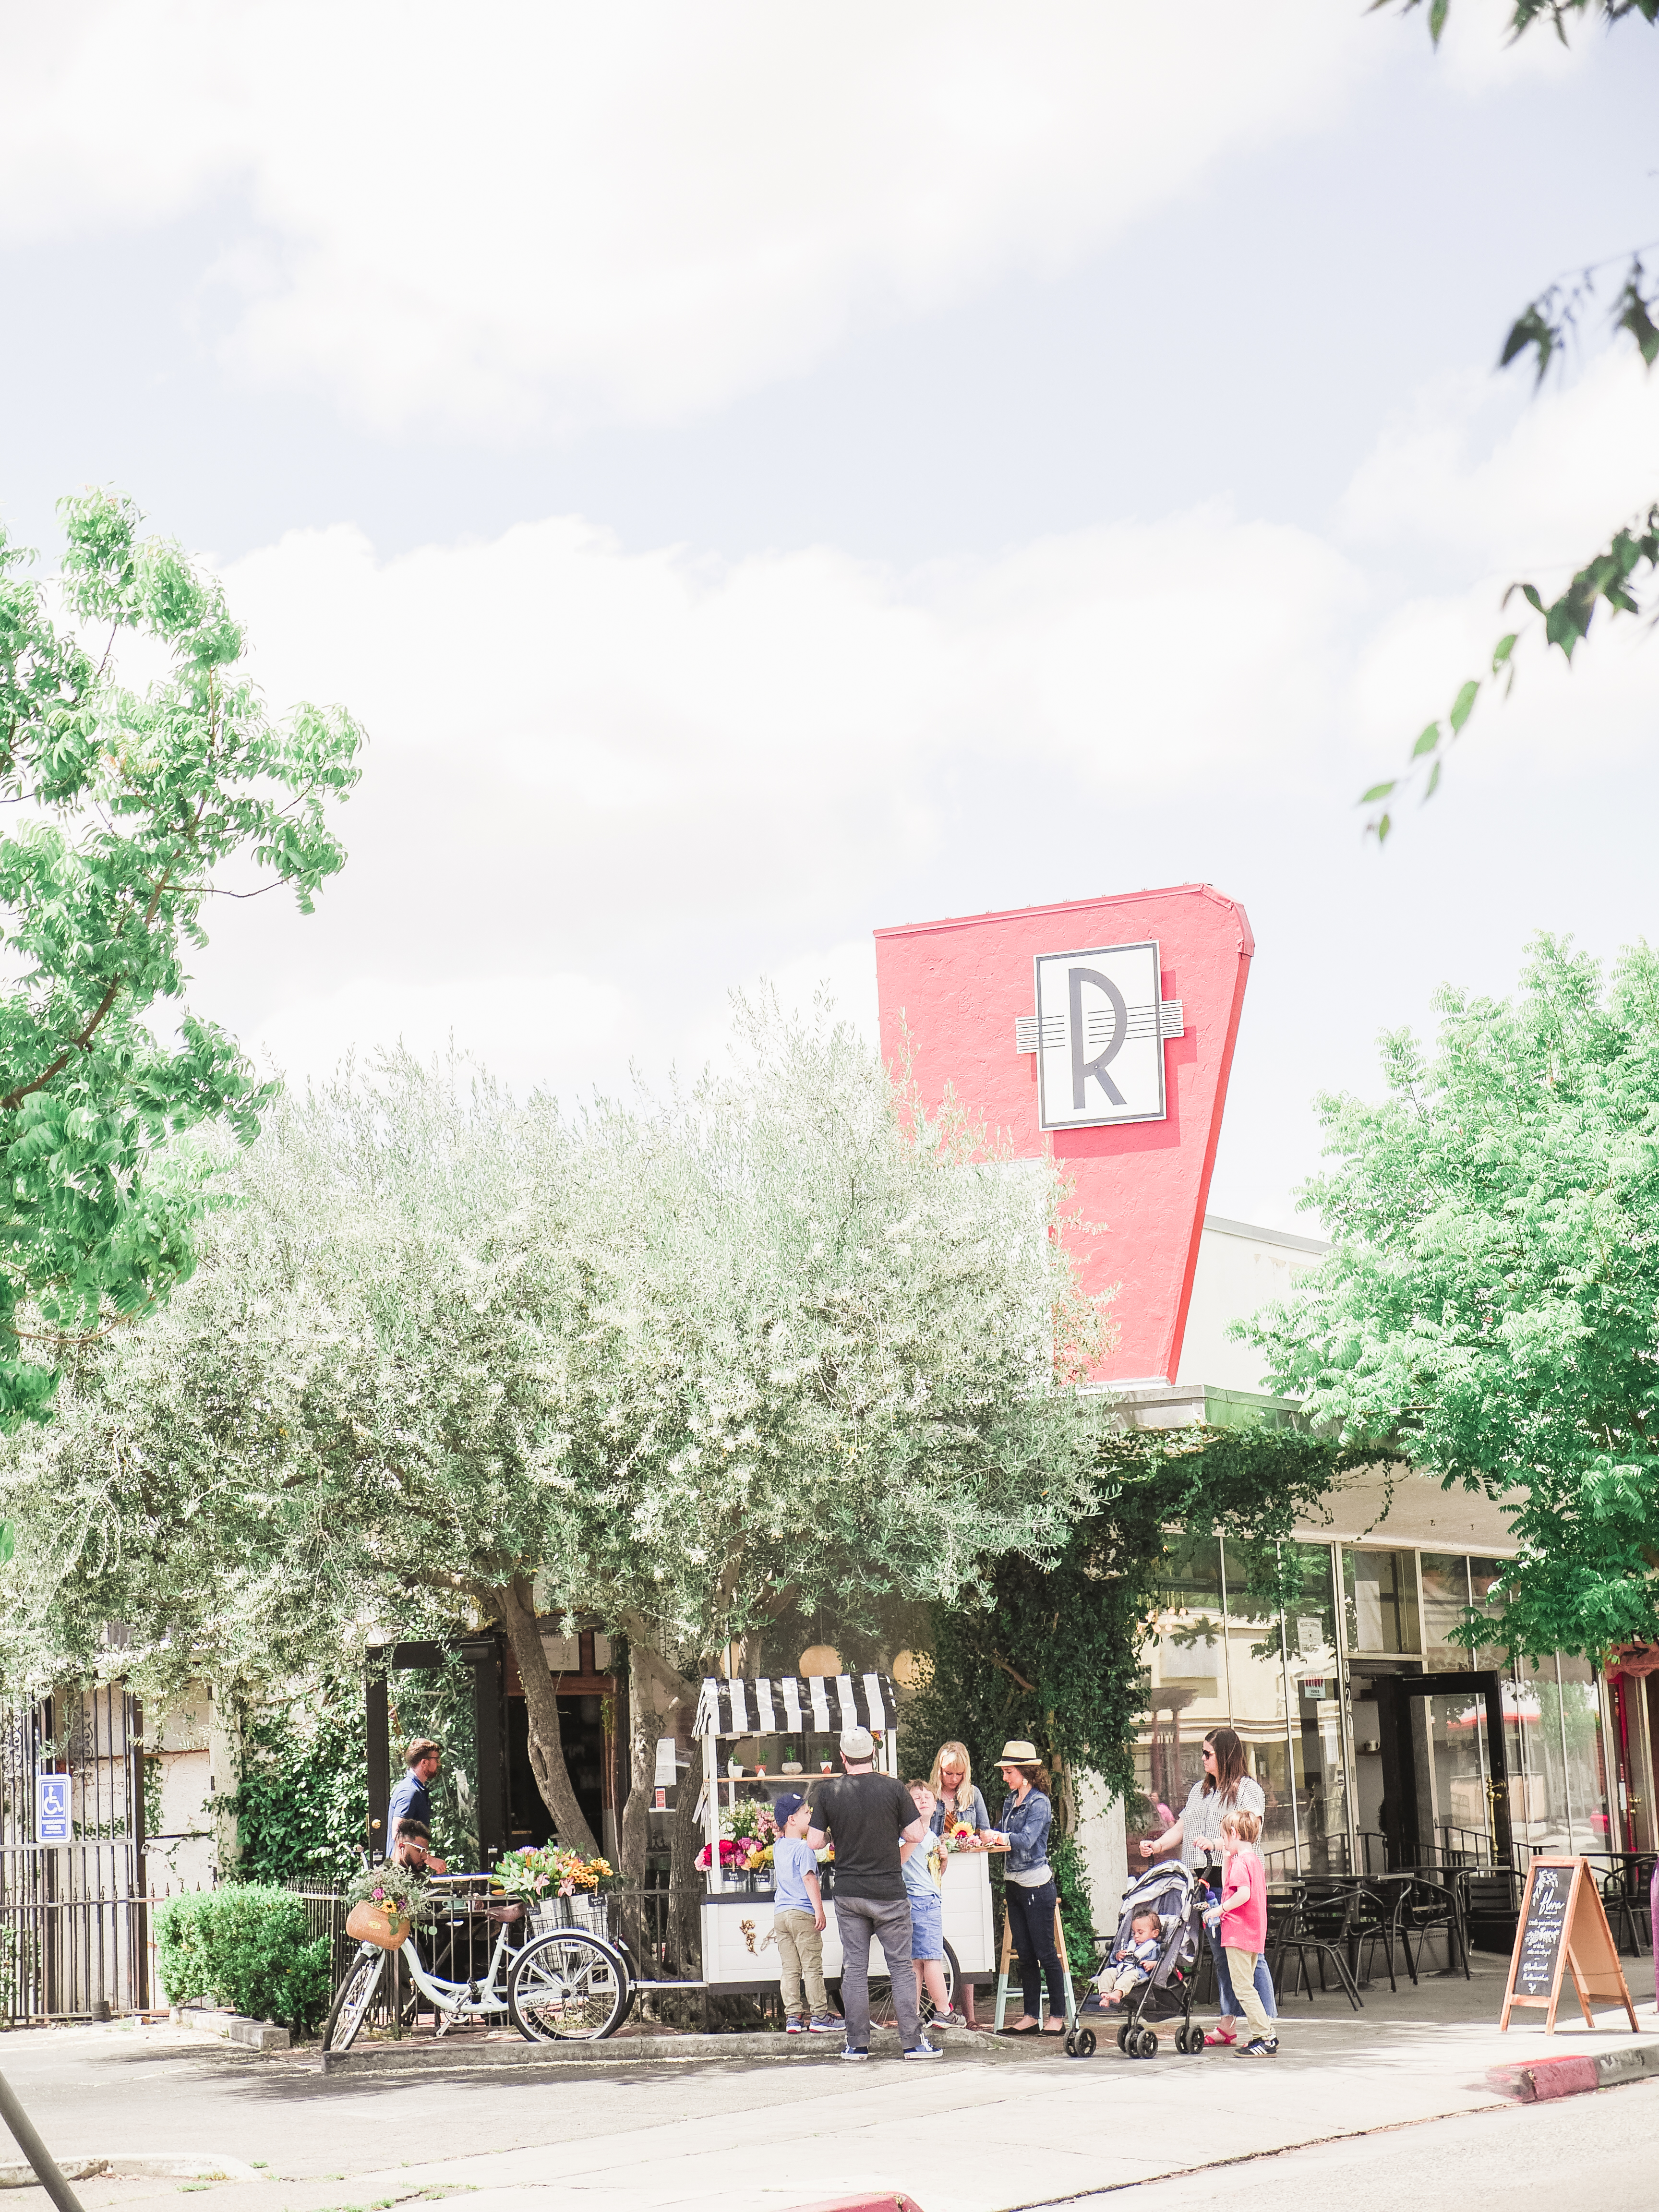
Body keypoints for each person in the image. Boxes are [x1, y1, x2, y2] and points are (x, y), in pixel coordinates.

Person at [806, 1728, 939, 2061]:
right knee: (902, 1969)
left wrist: (838, 1834)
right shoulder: (894, 1788)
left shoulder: (828, 1791)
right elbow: (915, 1833)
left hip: (850, 1893)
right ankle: (912, 2043)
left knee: (855, 1969)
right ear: (873, 1755)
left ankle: (857, 2044)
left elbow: (813, 1842)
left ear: (842, 1757)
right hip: (890, 1893)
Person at [1141, 1726, 1275, 2048]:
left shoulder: (1247, 1790)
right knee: (1221, 1955)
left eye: (1207, 1753)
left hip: (1232, 1878)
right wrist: (1157, 1847)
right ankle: (1228, 2024)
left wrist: (1216, 1843)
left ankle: (1267, 2023)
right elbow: (1182, 1827)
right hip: (1201, 1879)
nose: (1202, 1759)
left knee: (1249, 1953)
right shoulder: (1200, 1791)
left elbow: (1251, 1828)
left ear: (1226, 1755)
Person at [986, 1739, 1067, 2036]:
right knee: (1026, 1953)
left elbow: (1026, 1840)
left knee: (1046, 1952)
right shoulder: (1011, 1802)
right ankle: (1032, 2015)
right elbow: (1007, 1837)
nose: (1005, 1777)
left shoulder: (1040, 1803)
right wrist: (993, 1837)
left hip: (1036, 1885)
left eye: (1009, 1772)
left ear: (1025, 1772)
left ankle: (1057, 2017)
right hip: (1015, 1884)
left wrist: (996, 1837)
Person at [770, 1793, 840, 2035]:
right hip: (802, 1912)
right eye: (806, 1812)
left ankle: (793, 2017)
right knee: (812, 1967)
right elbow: (809, 1879)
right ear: (792, 1819)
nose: (811, 1815)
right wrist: (819, 1911)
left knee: (790, 1968)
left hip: (781, 1914)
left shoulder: (778, 1847)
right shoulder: (803, 1848)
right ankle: (820, 2015)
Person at [1212, 1806, 1276, 2056]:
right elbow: (1231, 1882)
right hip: (1253, 1934)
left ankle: (1266, 2036)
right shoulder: (1253, 1861)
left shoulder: (1242, 1863)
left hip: (1238, 1933)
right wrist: (1227, 1855)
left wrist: (1220, 1910)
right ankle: (1264, 2033)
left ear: (1233, 1832)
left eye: (1225, 1837)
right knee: (1247, 1985)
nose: (1224, 1842)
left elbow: (1242, 1893)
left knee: (1243, 1988)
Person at [905, 1782, 967, 2029]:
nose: (923, 1800)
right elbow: (900, 1862)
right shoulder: (910, 1833)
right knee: (931, 1958)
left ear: (935, 1804)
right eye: (916, 1797)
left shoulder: (930, 1835)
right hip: (923, 1902)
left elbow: (934, 1875)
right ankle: (943, 2011)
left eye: (927, 1796)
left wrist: (944, 1861)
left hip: (922, 1899)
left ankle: (911, 2014)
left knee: (917, 1962)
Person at [1100, 1906, 1163, 2008]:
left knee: (1128, 1977)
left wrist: (1154, 1964)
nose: (1136, 1936)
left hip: (1138, 1974)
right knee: (1108, 1972)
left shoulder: (1156, 1947)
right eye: (1134, 1933)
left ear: (1155, 1933)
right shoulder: (1130, 1945)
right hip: (1120, 1970)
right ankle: (1105, 1995)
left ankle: (1117, 1993)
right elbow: (1114, 1960)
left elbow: (1165, 1962)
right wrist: (1118, 1955)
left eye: (1140, 1932)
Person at [387, 1738, 442, 1854]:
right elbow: (397, 1835)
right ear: (424, 1763)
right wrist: (428, 1859)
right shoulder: (410, 1792)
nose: (439, 1764)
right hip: (402, 1871)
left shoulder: (415, 1789)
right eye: (436, 1759)